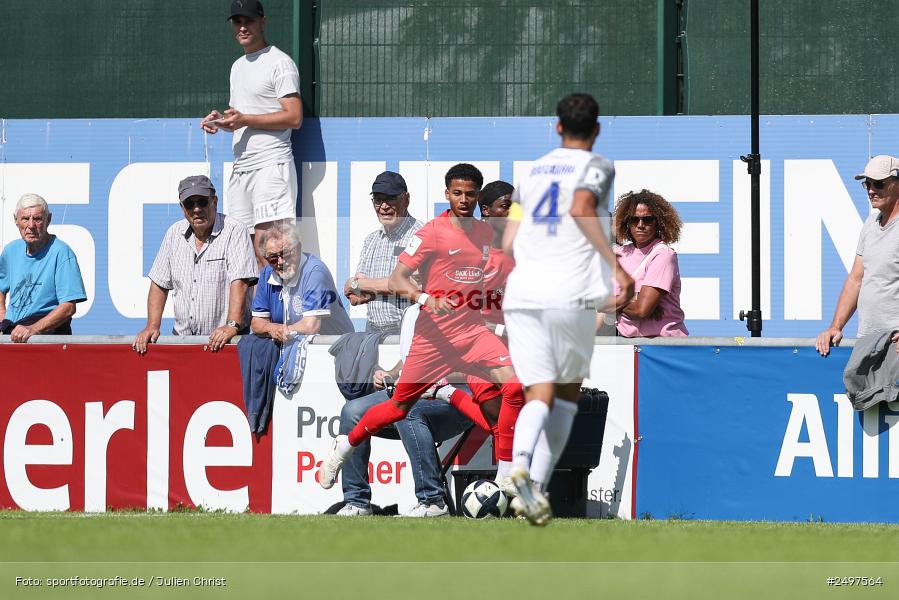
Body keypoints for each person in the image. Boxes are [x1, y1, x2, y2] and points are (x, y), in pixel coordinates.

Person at [316, 163, 525, 492]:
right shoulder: (431, 233)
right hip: (435, 338)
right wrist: (426, 299)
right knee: (398, 409)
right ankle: (345, 444)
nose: (464, 199)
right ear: (447, 195)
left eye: (470, 194)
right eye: (457, 193)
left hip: (471, 336)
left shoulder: (485, 235)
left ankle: (507, 476)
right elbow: (400, 279)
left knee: (513, 390)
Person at [501, 93, 634, 525]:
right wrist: (618, 269)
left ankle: (521, 473)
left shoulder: (531, 172)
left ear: (557, 127)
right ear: (596, 129)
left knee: (536, 391)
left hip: (522, 293)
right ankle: (534, 483)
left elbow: (507, 242)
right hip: (568, 293)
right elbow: (580, 208)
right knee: (566, 396)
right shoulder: (598, 166)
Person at [335, 305, 474, 518]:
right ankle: (357, 502)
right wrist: (390, 374)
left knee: (408, 409)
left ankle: (432, 501)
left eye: (419, 271)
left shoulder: (457, 307)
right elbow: (411, 358)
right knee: (352, 411)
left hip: (459, 394)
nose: (413, 275)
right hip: (415, 390)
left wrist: (425, 377)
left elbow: (473, 364)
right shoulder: (411, 312)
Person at [201, 0, 302, 267]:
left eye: (249, 21)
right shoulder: (237, 66)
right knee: (247, 254)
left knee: (272, 251)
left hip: (271, 165)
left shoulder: (280, 62)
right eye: (237, 21)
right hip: (242, 168)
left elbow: (294, 116)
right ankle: (258, 310)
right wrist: (221, 121)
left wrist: (245, 119)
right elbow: (242, 116)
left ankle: (280, 309)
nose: (243, 27)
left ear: (263, 22)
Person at [132, 175, 258, 354]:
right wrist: (152, 325)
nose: (197, 209)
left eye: (202, 202)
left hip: (225, 341)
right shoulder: (174, 234)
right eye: (190, 204)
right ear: (182, 207)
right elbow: (159, 284)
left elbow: (240, 282)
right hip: (183, 341)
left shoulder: (234, 230)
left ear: (214, 201)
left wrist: (232, 326)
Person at [817, 155, 899, 356]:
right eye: (867, 184)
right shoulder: (870, 225)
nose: (871, 190)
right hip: (868, 342)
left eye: (878, 184)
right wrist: (835, 327)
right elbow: (856, 279)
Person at [0, 193, 86, 342]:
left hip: (47, 338)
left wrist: (34, 329)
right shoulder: (11, 250)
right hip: (13, 334)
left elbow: (68, 307)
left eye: (38, 219)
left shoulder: (61, 252)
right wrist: (3, 319)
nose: (31, 225)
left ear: (49, 219)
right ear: (16, 220)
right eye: (25, 219)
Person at [344, 171, 423, 333]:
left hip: (410, 331)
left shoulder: (422, 235)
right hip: (372, 330)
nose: (384, 206)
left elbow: (417, 285)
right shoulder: (371, 240)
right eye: (379, 200)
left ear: (406, 199)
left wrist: (359, 284)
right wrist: (362, 287)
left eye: (391, 199)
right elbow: (355, 295)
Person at [251, 223, 353, 338]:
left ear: (298, 248)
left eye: (285, 254)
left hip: (334, 348)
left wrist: (281, 331)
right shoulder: (267, 273)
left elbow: (311, 326)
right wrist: (275, 329)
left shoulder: (315, 272)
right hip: (295, 347)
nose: (281, 262)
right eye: (273, 258)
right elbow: (257, 323)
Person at [612, 189, 688, 337]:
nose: (640, 225)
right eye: (634, 219)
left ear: (658, 223)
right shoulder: (618, 254)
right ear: (627, 223)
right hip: (628, 346)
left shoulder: (663, 254)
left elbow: (641, 310)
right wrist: (633, 299)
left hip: (663, 346)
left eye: (647, 219)